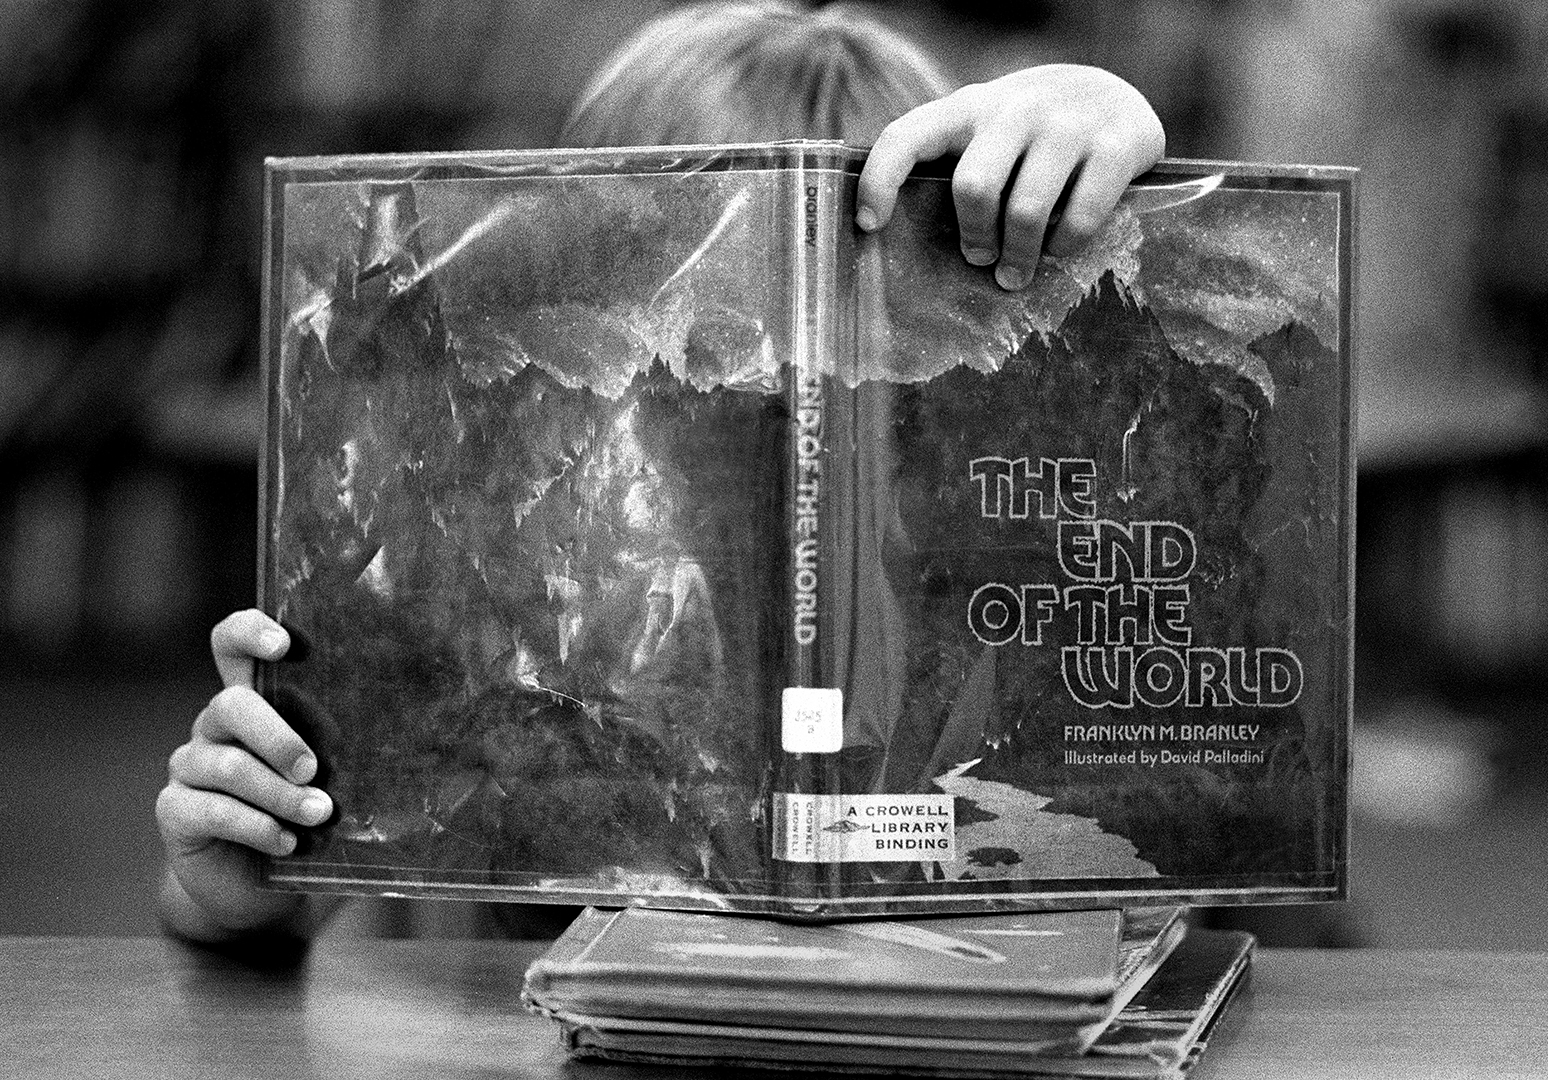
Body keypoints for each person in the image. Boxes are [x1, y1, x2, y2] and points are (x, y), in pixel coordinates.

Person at [156, 0, 1165, 947]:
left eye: (839, 367)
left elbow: (1170, 858)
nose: (759, 421)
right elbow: (316, 933)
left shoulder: (994, 571)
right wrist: (250, 880)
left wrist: (1106, 145)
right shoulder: (483, 601)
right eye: (679, 353)